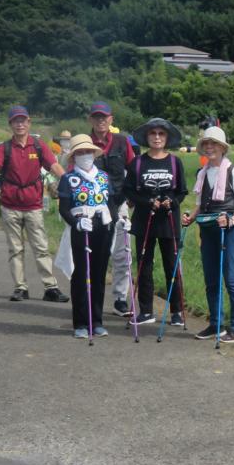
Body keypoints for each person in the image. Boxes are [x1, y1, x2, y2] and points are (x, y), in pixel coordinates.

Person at [0, 106, 69, 302]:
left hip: (33, 205)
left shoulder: (39, 145)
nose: (20, 124)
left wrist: (70, 181)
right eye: (16, 121)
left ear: (28, 123)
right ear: (10, 124)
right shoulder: (4, 147)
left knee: (41, 247)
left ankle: (50, 288)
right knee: (15, 249)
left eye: (23, 120)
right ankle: (20, 287)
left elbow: (54, 166)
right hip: (10, 205)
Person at [182, 126, 234, 343]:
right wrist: (190, 217)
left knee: (231, 278)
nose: (210, 147)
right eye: (206, 144)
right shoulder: (201, 173)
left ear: (222, 148)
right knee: (211, 279)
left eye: (214, 144)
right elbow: (201, 205)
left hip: (229, 230)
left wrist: (231, 219)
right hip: (208, 229)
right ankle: (216, 324)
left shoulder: (233, 172)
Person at [124, 118, 188, 326]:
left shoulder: (174, 162)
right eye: (153, 134)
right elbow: (129, 190)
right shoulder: (138, 162)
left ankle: (177, 311)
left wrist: (173, 202)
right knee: (144, 266)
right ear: (147, 137)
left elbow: (182, 191)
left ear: (167, 138)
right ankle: (146, 311)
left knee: (172, 266)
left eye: (161, 134)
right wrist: (147, 201)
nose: (157, 137)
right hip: (145, 220)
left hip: (169, 221)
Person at [57, 134, 115, 338]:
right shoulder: (68, 179)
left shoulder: (104, 177)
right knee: (81, 275)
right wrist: (76, 223)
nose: (85, 155)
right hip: (82, 228)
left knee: (99, 275)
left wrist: (119, 221)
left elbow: (111, 203)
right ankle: (80, 322)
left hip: (103, 226)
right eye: (80, 152)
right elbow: (64, 209)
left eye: (88, 151)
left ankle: (97, 320)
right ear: (74, 156)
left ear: (94, 153)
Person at [86, 101, 136, 318]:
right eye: (96, 117)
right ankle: (92, 298)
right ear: (91, 120)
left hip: (119, 203)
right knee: (95, 254)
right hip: (92, 207)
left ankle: (119, 299)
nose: (101, 121)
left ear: (111, 119)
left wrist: (133, 196)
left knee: (123, 253)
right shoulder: (85, 143)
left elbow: (133, 170)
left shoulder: (122, 142)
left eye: (104, 117)